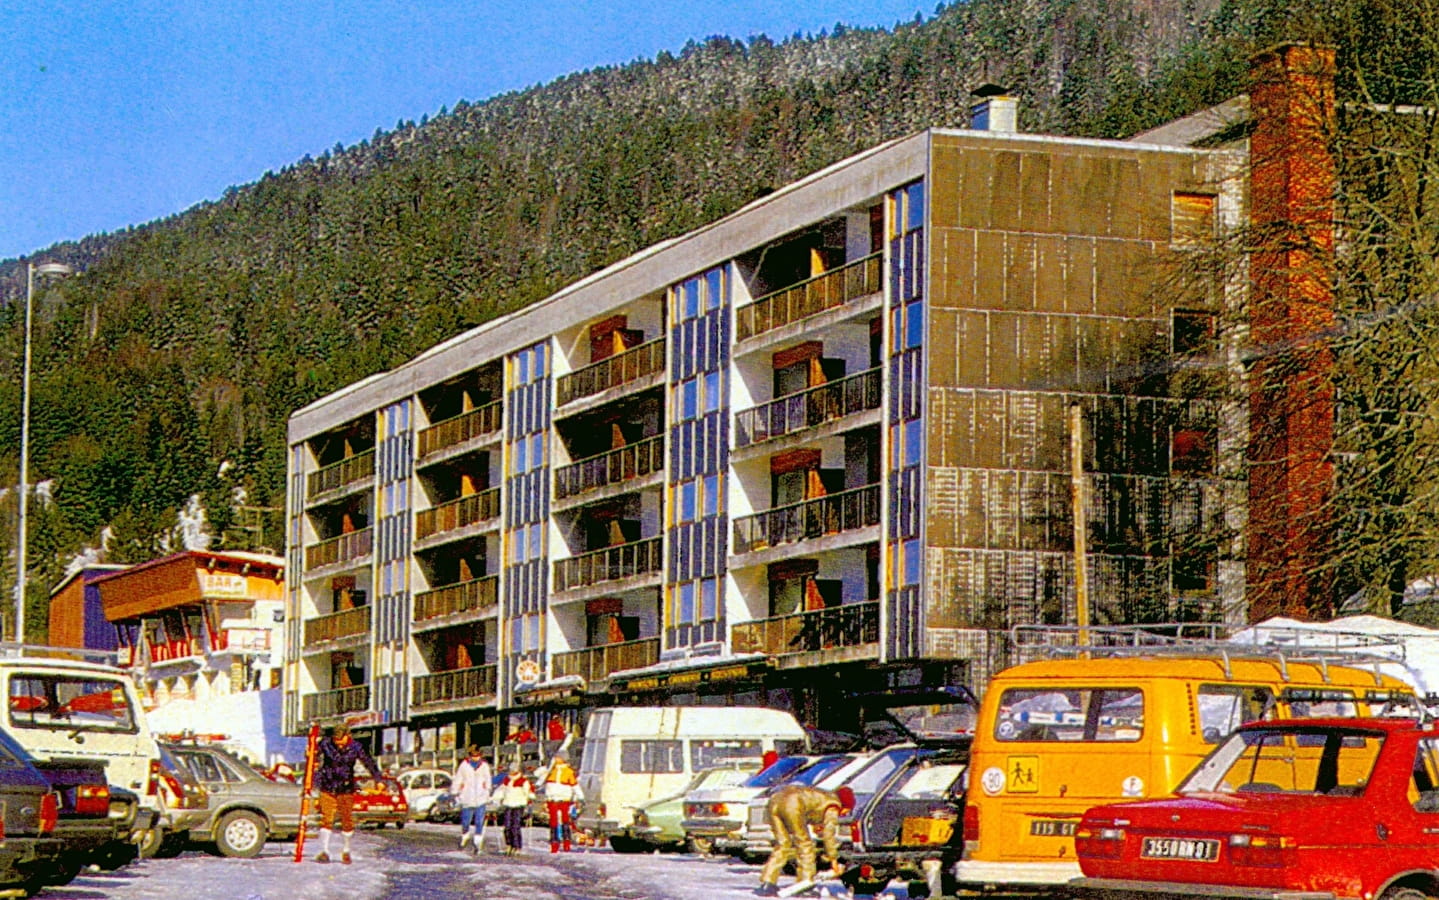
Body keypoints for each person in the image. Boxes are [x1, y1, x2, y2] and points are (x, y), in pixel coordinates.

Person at [755, 784, 854, 897]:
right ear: (845, 804)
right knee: (805, 844)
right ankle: (805, 883)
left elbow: (814, 816)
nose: (843, 814)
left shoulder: (824, 796)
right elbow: (829, 834)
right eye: (846, 811)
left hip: (775, 800)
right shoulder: (833, 805)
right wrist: (833, 859)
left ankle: (768, 882)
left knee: (783, 843)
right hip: (793, 803)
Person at [312, 723, 382, 865]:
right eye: (336, 741)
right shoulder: (326, 743)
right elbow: (312, 756)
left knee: (346, 819)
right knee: (327, 818)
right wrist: (310, 754)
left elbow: (368, 762)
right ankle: (324, 851)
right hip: (328, 785)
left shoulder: (356, 747)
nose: (338, 744)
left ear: (347, 737)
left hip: (346, 787)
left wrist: (378, 779)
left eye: (340, 740)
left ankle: (346, 851)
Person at [452, 744, 493, 852]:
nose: (476, 757)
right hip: (467, 797)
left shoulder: (484, 766)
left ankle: (477, 841)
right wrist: (455, 791)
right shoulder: (464, 765)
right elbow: (458, 779)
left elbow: (488, 779)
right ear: (470, 755)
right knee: (466, 821)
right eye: (473, 755)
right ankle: (465, 835)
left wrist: (487, 790)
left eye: (477, 755)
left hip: (480, 797)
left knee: (479, 821)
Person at [540, 749, 582, 853]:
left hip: (564, 799)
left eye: (558, 757)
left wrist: (580, 797)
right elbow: (542, 779)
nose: (556, 759)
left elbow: (575, 786)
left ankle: (566, 841)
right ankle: (554, 842)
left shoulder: (568, 772)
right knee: (553, 821)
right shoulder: (551, 770)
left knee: (565, 820)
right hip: (552, 799)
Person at [495, 761, 535, 855]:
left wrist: (530, 797)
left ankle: (517, 846)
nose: (511, 772)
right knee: (507, 825)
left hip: (518, 804)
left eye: (513, 771)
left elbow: (528, 791)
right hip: (508, 804)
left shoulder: (523, 781)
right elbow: (501, 790)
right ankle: (509, 844)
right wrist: (495, 798)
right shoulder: (507, 780)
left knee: (515, 826)